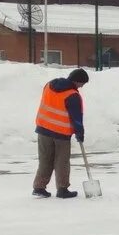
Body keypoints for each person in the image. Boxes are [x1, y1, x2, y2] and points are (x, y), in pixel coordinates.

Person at [32, 68, 89, 198]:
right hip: (60, 134)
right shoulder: (72, 95)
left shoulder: (49, 85)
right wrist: (80, 133)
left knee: (45, 160)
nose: (82, 86)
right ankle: (62, 189)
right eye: (82, 83)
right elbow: (77, 118)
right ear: (77, 81)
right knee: (61, 161)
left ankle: (39, 187)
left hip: (43, 129)